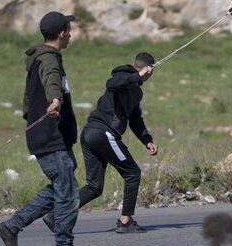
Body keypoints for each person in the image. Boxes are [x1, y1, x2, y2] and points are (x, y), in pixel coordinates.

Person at [0, 12, 95, 246]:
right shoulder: (49, 60)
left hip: (49, 135)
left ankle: (11, 227)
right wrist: (56, 100)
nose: (71, 34)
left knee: (62, 187)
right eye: (69, 29)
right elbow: (52, 82)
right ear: (62, 33)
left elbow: (28, 101)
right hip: (50, 137)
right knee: (69, 193)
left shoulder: (38, 59)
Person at [42, 53, 158, 234]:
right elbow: (113, 83)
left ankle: (55, 215)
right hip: (102, 133)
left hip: (91, 134)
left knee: (94, 187)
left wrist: (147, 140)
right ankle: (125, 222)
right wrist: (137, 75)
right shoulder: (122, 75)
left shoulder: (136, 91)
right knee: (133, 173)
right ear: (147, 69)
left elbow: (135, 119)